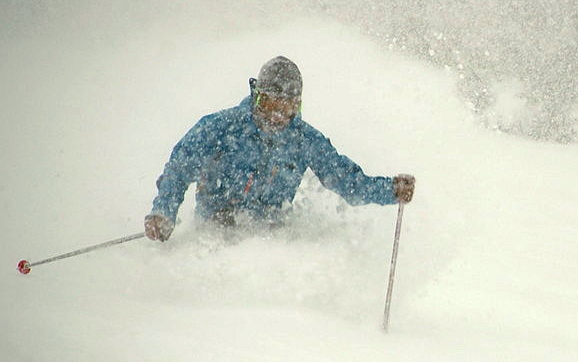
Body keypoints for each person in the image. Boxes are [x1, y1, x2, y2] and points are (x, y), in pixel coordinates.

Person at [145, 56, 415, 241]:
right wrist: (164, 213)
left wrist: (390, 190)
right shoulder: (220, 128)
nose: (276, 116)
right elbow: (178, 171)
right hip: (215, 230)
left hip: (270, 236)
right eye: (270, 104)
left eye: (286, 107)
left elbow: (347, 181)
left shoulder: (304, 139)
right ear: (256, 96)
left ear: (297, 105)